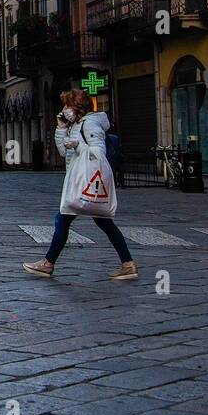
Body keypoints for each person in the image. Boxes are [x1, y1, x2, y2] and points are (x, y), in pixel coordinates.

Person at [22, 88, 137, 281]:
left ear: (77, 106)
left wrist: (78, 145)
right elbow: (63, 152)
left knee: (63, 219)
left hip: (85, 181)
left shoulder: (90, 124)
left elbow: (97, 153)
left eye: (67, 105)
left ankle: (48, 264)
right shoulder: (76, 124)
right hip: (80, 179)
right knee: (103, 223)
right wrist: (60, 129)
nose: (64, 109)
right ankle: (127, 264)